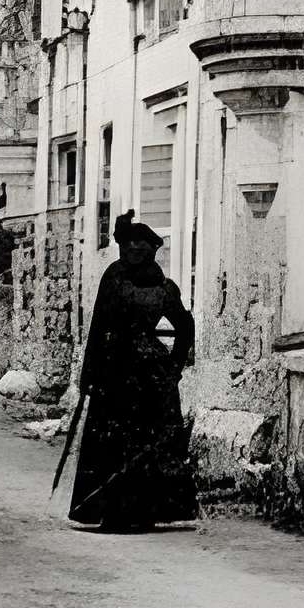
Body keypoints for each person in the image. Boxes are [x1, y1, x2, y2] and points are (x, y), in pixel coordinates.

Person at [67, 211, 198, 532]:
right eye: (130, 245)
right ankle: (128, 512)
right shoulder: (135, 280)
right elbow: (99, 326)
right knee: (127, 441)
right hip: (127, 371)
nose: (134, 251)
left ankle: (132, 512)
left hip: (130, 372)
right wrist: (172, 367)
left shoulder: (151, 284)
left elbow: (185, 326)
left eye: (140, 246)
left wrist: (173, 369)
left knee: (135, 442)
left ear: (150, 250)